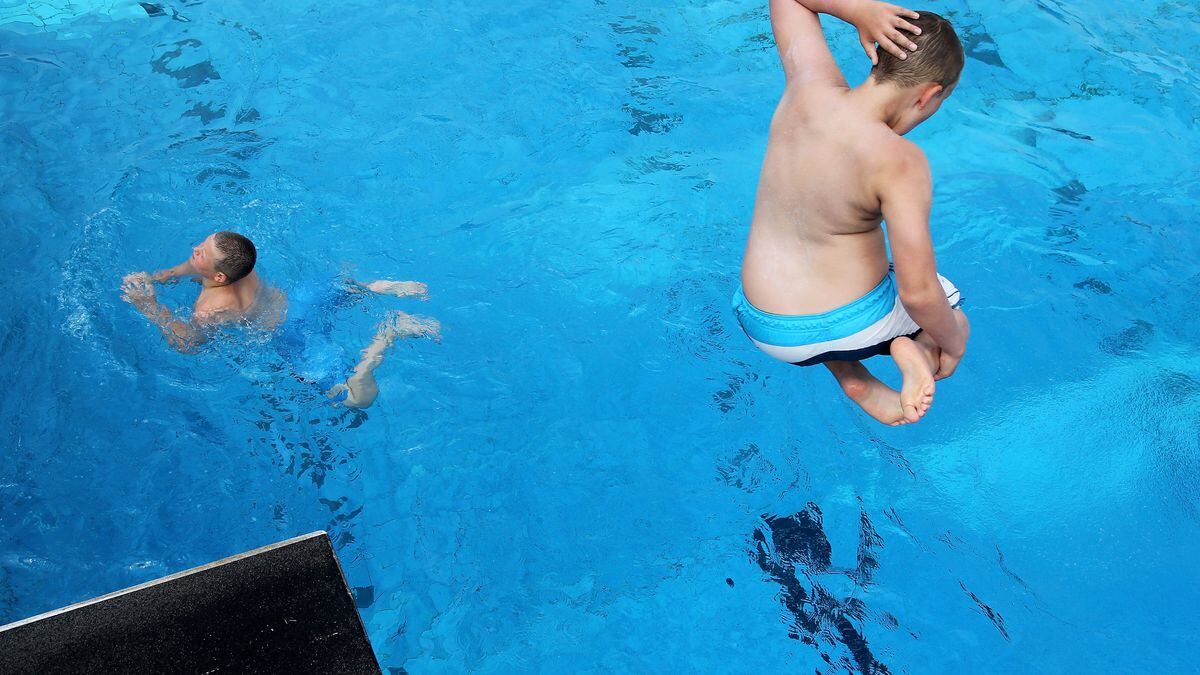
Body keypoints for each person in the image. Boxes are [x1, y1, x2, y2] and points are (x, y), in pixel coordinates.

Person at [733, 0, 970, 426]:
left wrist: (858, 10)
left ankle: (851, 374)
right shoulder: (900, 161)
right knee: (945, 306)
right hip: (847, 324)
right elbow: (918, 293)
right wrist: (952, 342)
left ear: (875, 55)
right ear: (931, 95)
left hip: (760, 323)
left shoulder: (808, 88)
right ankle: (909, 346)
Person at [121, 230, 439, 408]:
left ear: (218, 276)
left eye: (200, 250)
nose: (194, 249)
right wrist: (159, 276)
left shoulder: (209, 308)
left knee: (355, 400)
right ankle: (378, 288)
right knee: (346, 285)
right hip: (299, 298)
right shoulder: (240, 264)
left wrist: (148, 305)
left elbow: (189, 343)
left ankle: (390, 332)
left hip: (291, 335)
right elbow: (196, 268)